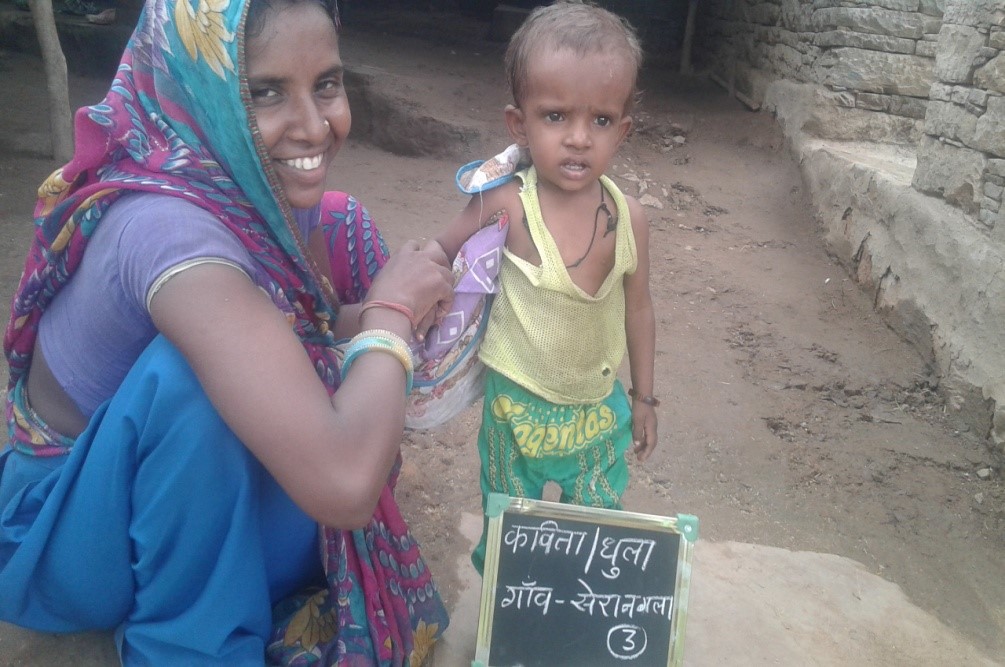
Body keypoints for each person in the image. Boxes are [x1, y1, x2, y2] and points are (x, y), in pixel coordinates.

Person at [0, 0, 456, 663]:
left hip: (152, 496)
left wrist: (417, 302)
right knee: (196, 381)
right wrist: (387, 314)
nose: (314, 124)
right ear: (195, 89)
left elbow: (304, 331)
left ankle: (207, 579)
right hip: (63, 538)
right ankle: (186, 643)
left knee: (338, 241)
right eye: (265, 92)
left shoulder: (235, 194)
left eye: (326, 83)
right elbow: (344, 484)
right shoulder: (171, 232)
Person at [432, 0, 659, 574]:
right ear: (520, 123)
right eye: (556, 116)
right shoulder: (505, 201)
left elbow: (639, 307)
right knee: (513, 538)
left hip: (599, 415)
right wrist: (416, 305)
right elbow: (442, 249)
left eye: (601, 120)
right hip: (516, 411)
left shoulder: (629, 217)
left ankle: (575, 631)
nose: (579, 138)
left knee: (596, 539)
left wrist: (645, 397)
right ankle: (511, 631)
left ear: (623, 129)